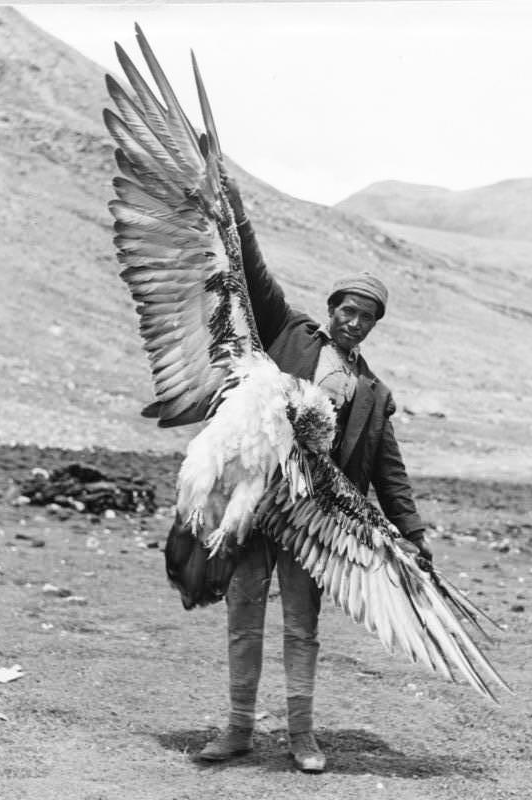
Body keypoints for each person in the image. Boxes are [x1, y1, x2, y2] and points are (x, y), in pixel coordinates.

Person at [198, 174, 433, 773]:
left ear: (374, 326)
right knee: (243, 613)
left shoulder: (374, 394)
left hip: (316, 521)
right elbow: (253, 276)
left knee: (302, 626)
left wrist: (415, 536)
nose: (354, 322)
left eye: (366, 318)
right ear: (332, 308)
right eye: (348, 310)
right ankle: (237, 729)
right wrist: (238, 211)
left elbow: (389, 472)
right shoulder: (289, 334)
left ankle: (303, 737)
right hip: (254, 500)